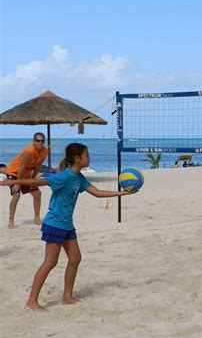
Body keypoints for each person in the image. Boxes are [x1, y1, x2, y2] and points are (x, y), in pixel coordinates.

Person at [0, 143, 136, 311]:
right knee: (50, 262)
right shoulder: (65, 176)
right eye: (87, 155)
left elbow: (98, 193)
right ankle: (32, 301)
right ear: (77, 159)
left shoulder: (79, 177)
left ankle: (67, 296)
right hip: (55, 223)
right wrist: (15, 181)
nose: (89, 157)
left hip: (66, 225)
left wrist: (123, 193)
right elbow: (40, 181)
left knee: (75, 258)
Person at [5, 133, 48, 229]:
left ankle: (37, 218)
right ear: (33, 141)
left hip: (25, 174)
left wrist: (33, 180)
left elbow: (37, 167)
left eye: (42, 141)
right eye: (37, 140)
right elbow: (22, 168)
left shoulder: (45, 151)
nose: (40, 143)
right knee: (16, 194)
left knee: (37, 193)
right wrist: (18, 183)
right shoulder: (29, 152)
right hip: (13, 173)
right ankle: (11, 220)